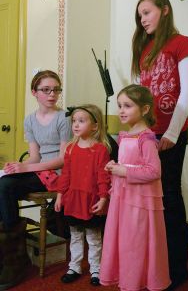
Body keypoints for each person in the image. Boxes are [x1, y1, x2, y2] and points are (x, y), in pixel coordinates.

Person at [131, 0, 188, 289]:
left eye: (147, 12)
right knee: (150, 200)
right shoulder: (145, 50)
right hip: (147, 135)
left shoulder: (182, 43)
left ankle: (176, 270)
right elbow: (139, 97)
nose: (142, 19)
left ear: (165, 10)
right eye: (140, 15)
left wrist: (171, 133)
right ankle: (155, 264)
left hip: (172, 134)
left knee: (169, 197)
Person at [0, 69, 72, 290]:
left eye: (56, 89)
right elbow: (34, 155)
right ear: (34, 92)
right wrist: (17, 166)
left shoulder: (64, 118)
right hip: (39, 168)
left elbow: (61, 160)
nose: (52, 94)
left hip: (56, 173)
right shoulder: (30, 119)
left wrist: (27, 168)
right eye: (46, 90)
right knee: (5, 181)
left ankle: (13, 252)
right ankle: (7, 245)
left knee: (5, 186)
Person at [100, 84, 171, 291]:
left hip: (139, 202)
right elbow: (127, 162)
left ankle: (136, 282)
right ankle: (127, 280)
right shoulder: (126, 135)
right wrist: (114, 167)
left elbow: (153, 171)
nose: (121, 110)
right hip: (123, 199)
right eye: (120, 105)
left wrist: (124, 171)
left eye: (127, 106)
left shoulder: (146, 138)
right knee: (124, 241)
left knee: (135, 243)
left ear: (145, 109)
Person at [55, 104, 111, 286]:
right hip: (73, 199)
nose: (76, 125)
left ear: (95, 126)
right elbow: (66, 175)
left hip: (91, 200)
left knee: (94, 237)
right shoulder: (70, 148)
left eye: (81, 121)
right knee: (76, 235)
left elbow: (104, 176)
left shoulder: (100, 149)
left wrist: (103, 198)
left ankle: (96, 268)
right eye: (74, 121)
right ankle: (75, 266)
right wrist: (59, 195)